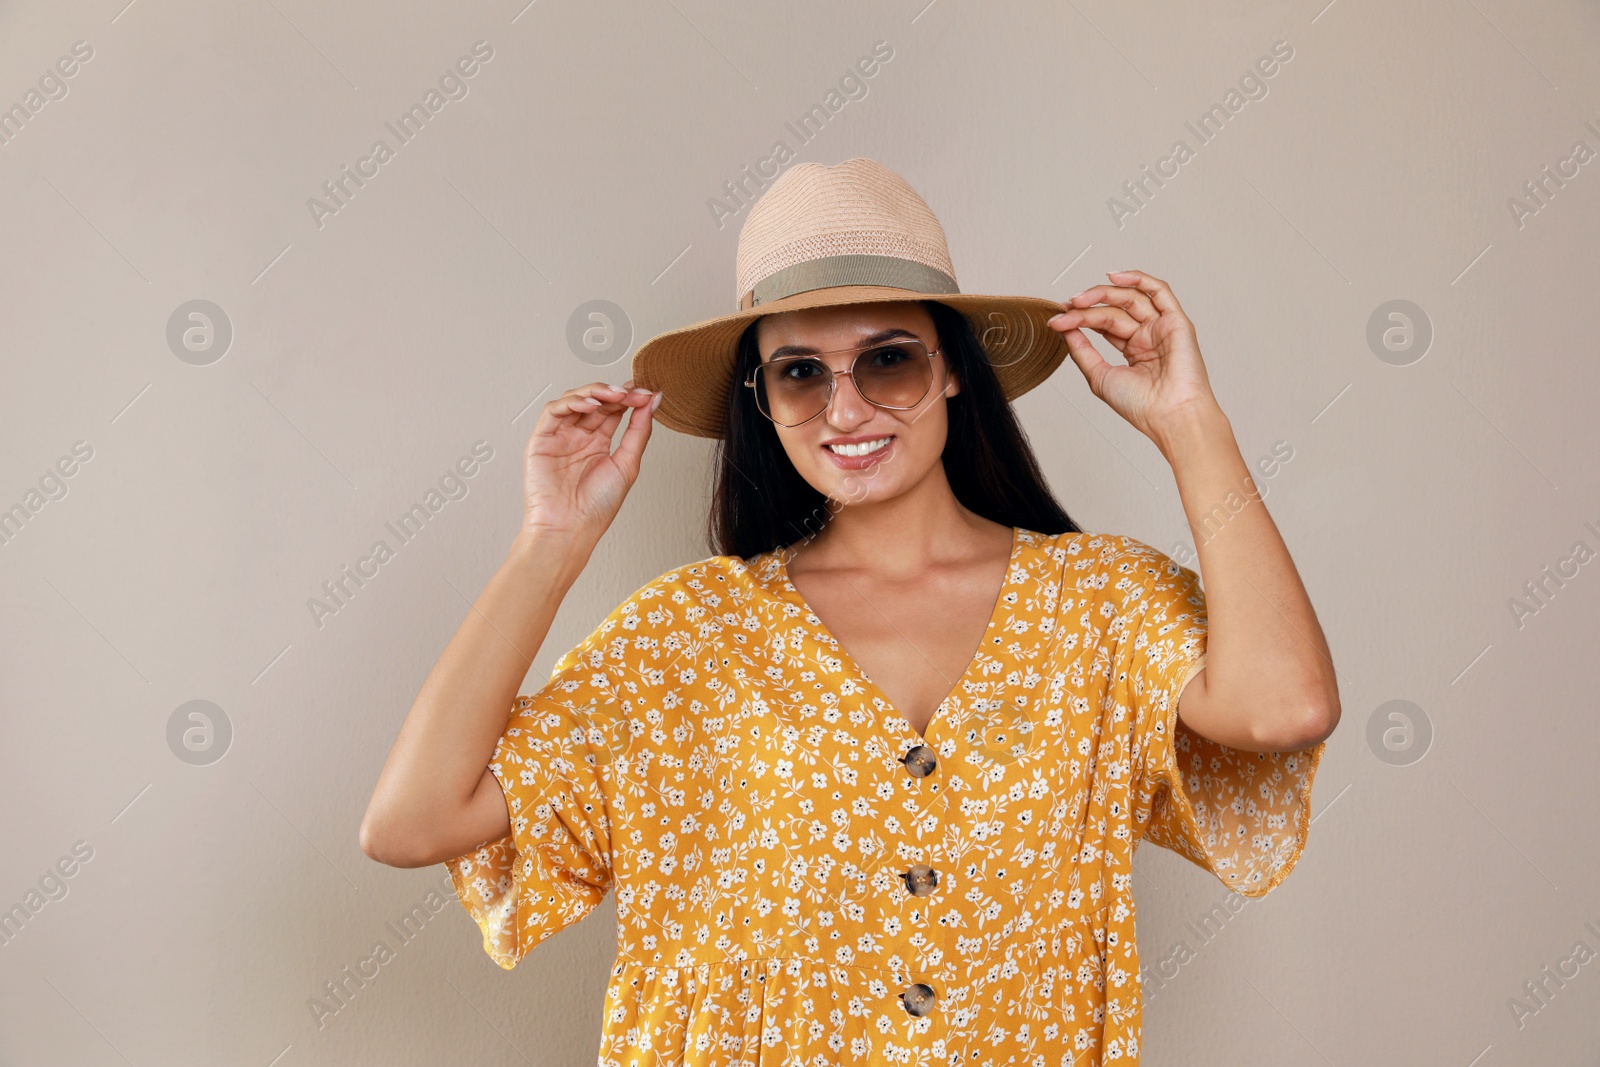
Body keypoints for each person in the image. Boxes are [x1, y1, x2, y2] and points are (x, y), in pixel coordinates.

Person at [359, 158, 1338, 1065]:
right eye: (799, 371)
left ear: (952, 367)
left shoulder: (1100, 604)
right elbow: (412, 820)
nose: (845, 411)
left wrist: (1191, 425)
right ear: (762, 397)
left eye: (888, 361)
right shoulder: (685, 639)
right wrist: (552, 540)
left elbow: (1285, 706)